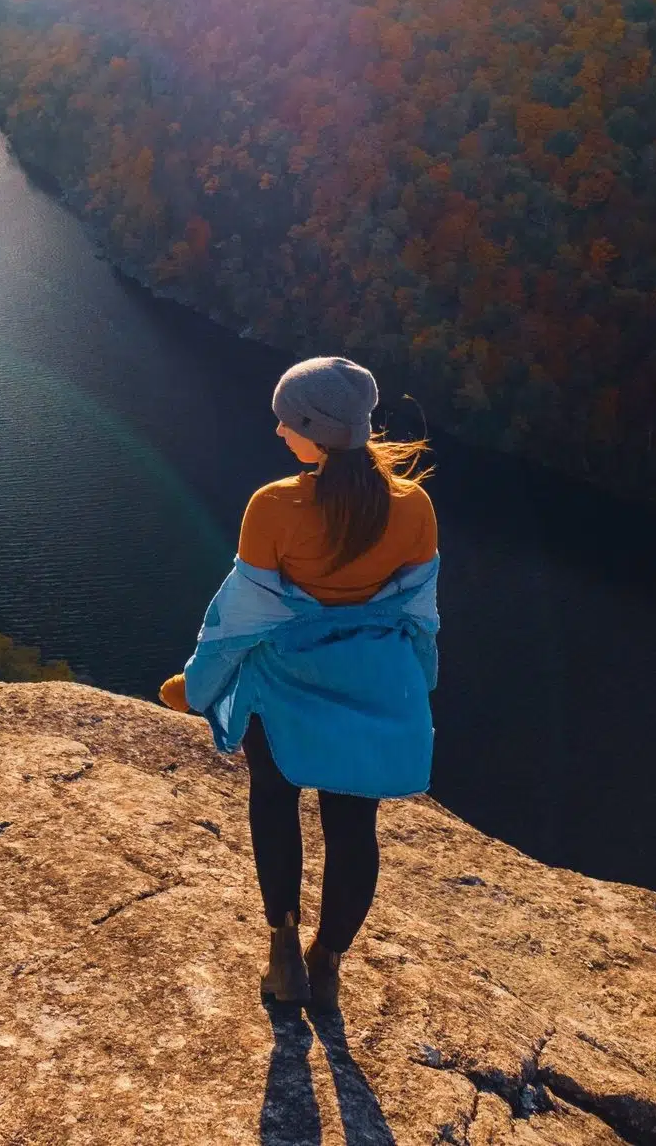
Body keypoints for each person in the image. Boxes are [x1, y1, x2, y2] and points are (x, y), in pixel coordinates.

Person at [160, 355, 439, 1013]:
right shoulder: (413, 506)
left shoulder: (276, 506)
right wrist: (418, 684)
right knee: (354, 825)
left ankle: (284, 954)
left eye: (289, 423)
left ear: (316, 431)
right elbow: (418, 614)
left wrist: (195, 689)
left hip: (285, 687)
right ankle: (329, 962)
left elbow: (237, 623)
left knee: (274, 798)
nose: (280, 432)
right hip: (374, 687)